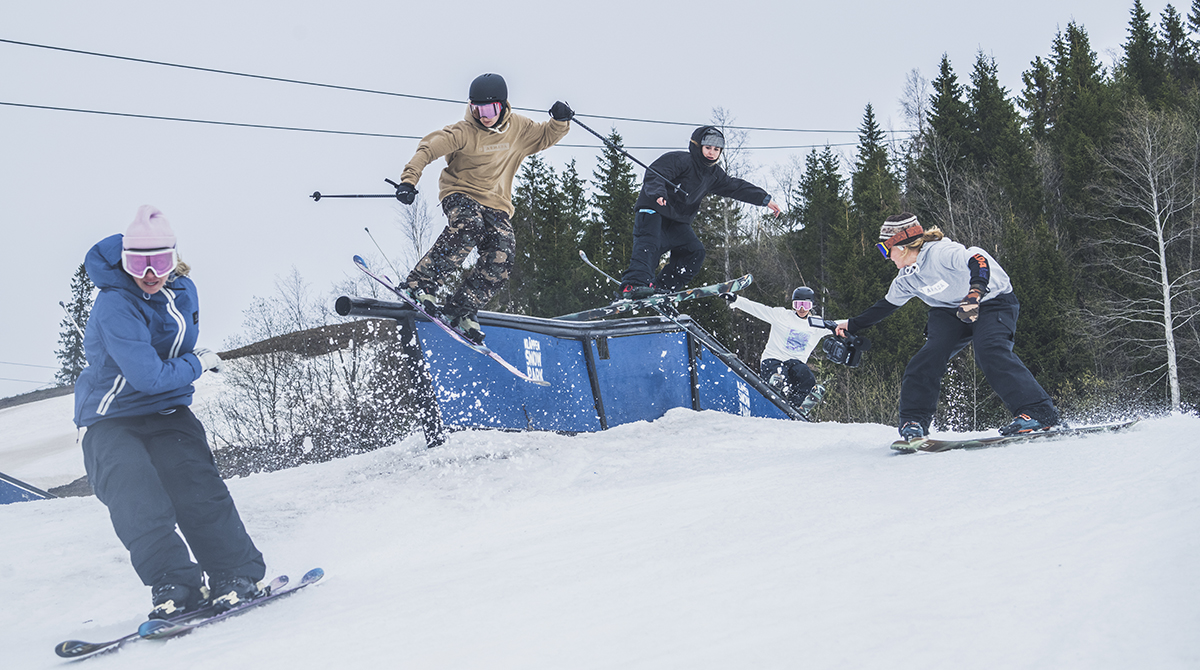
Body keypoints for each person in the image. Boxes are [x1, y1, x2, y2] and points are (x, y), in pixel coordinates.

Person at [73, 205, 266, 619]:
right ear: (124, 261)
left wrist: (186, 366)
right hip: (110, 418)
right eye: (138, 263)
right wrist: (198, 363)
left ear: (173, 258)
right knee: (135, 497)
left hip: (168, 410)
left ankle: (234, 573)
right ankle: (174, 582)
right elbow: (148, 376)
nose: (149, 273)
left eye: (159, 262)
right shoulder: (114, 304)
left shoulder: (183, 290)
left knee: (196, 486)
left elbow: (166, 363)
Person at [834, 212, 1060, 440]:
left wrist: (974, 293)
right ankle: (914, 422)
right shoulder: (907, 277)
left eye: (885, 250)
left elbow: (978, 259)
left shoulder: (940, 253)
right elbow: (885, 306)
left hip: (992, 301)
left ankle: (1038, 412)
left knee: (989, 350)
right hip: (949, 310)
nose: (886, 257)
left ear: (900, 246)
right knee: (928, 357)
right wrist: (851, 325)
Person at [392, 73, 573, 344]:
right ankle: (420, 282)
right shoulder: (464, 132)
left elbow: (546, 136)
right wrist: (409, 180)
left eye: (488, 109)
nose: (483, 115)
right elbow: (428, 149)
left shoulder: (519, 128)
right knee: (470, 228)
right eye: (477, 108)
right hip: (460, 192)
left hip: (497, 203)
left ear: (502, 106)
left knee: (503, 252)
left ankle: (462, 307)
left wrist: (560, 120)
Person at [617, 125, 782, 299]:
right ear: (698, 147)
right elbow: (655, 174)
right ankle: (635, 284)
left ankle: (662, 286)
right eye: (708, 148)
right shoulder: (680, 160)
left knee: (694, 252)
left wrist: (765, 199)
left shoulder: (714, 175)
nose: (711, 153)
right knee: (649, 246)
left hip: (677, 221)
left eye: (716, 149)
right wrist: (658, 193)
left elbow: (736, 187)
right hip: (654, 211)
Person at [723, 286, 831, 416]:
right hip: (773, 360)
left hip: (795, 365)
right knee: (779, 374)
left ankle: (797, 406)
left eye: (806, 305)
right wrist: (737, 300)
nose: (802, 309)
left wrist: (856, 324)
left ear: (811, 306)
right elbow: (759, 309)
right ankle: (777, 386)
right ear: (793, 305)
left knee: (806, 375)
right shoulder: (781, 315)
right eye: (798, 305)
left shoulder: (817, 324)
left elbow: (840, 326)